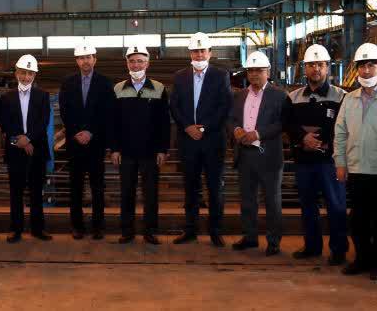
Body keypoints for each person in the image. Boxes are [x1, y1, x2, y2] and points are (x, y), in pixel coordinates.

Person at [284, 44, 347, 264]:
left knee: (336, 206)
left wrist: (321, 141)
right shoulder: (293, 97)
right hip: (304, 161)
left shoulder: (341, 96)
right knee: (308, 206)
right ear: (305, 68)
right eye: (311, 65)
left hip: (329, 162)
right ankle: (312, 246)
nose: (316, 69)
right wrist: (304, 138)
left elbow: (342, 125)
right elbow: (288, 123)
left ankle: (338, 250)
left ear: (327, 67)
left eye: (320, 64)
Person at [169, 32, 233, 247]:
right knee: (190, 187)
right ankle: (190, 230)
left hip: (212, 140)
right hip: (188, 140)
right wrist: (187, 127)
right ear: (190, 53)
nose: (198, 55)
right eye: (195, 51)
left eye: (202, 51)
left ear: (210, 53)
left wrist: (204, 128)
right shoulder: (180, 76)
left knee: (215, 187)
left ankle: (215, 231)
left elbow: (224, 107)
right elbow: (174, 106)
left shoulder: (221, 75)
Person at [334, 42, 377, 281]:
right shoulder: (349, 99)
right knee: (358, 220)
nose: (366, 71)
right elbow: (340, 132)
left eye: (371, 65)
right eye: (362, 66)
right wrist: (340, 162)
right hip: (356, 168)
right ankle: (362, 259)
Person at [228, 51, 290, 256]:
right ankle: (250, 236)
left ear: (268, 72)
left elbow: (282, 123)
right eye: (251, 70)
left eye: (259, 70)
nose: (254, 74)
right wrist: (236, 130)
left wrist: (258, 133)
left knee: (272, 200)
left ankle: (273, 241)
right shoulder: (239, 96)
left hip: (269, 156)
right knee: (247, 199)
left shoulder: (279, 95)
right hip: (245, 155)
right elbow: (231, 119)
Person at [109, 45, 170, 245]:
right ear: (127, 63)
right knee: (127, 192)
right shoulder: (118, 88)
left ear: (147, 63)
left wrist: (162, 149)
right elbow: (113, 122)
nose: (136, 65)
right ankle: (127, 231)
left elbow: (164, 122)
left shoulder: (159, 88)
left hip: (150, 152)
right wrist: (114, 148)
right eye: (132, 61)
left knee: (150, 193)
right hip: (126, 152)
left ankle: (150, 231)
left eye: (140, 61)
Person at [58, 39, 114, 240]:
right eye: (81, 58)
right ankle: (77, 226)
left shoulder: (105, 83)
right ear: (77, 61)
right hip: (75, 143)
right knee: (76, 186)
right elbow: (65, 111)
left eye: (88, 57)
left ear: (95, 59)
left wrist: (91, 132)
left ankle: (98, 226)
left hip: (95, 143)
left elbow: (107, 113)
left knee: (97, 187)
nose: (85, 61)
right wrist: (76, 132)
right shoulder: (68, 83)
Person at [1, 55, 52, 243]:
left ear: (34, 75)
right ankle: (16, 229)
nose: (26, 77)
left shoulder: (43, 96)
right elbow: (5, 124)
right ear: (16, 73)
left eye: (30, 73)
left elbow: (43, 122)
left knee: (36, 191)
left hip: (36, 150)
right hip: (15, 150)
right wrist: (20, 141)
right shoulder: (6, 97)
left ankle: (38, 229)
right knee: (16, 191)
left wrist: (29, 138)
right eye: (23, 72)